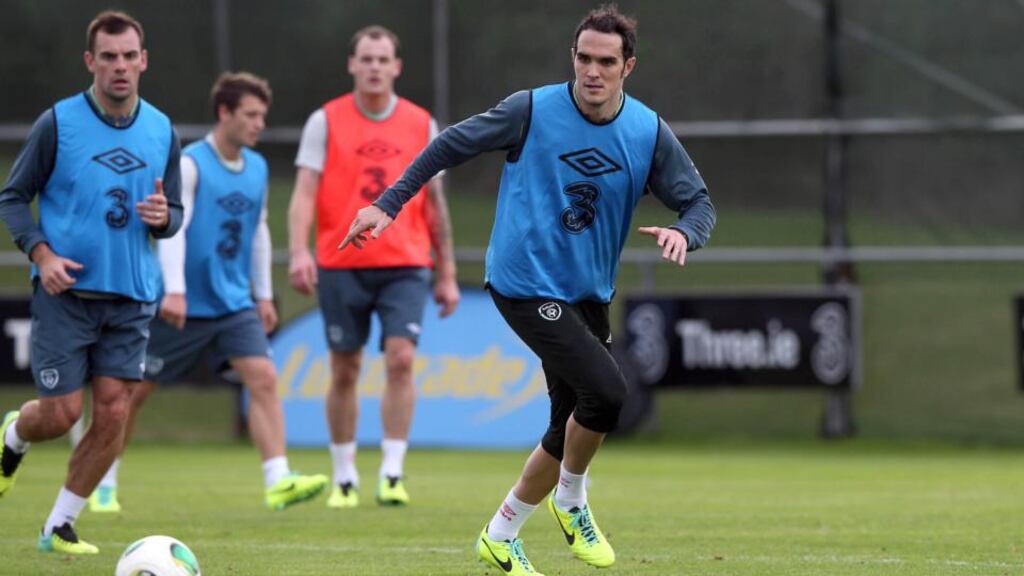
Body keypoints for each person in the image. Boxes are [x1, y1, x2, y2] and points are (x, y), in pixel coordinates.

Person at [340, 6, 716, 574]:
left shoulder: (646, 131)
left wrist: (685, 232)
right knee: (610, 394)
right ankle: (571, 498)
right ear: (573, 57)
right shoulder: (531, 109)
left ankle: (501, 531)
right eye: (584, 58)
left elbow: (699, 201)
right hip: (523, 283)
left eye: (606, 62)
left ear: (628, 66)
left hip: (588, 294)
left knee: (568, 422)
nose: (593, 71)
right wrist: (387, 204)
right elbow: (447, 147)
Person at [89, 72, 328, 514]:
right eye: (250, 115)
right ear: (224, 113)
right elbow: (172, 233)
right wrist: (175, 291)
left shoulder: (256, 167)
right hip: (181, 305)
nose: (259, 124)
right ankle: (103, 482)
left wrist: (262, 295)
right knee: (131, 394)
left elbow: (258, 231)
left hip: (234, 304)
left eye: (262, 116)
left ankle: (278, 480)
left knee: (264, 378)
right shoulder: (192, 163)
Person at [0, 11, 184, 555]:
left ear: (144, 61)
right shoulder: (57, 123)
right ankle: (13, 434)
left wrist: (163, 217)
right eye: (109, 57)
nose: (120, 66)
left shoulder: (162, 128)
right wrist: (41, 252)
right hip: (66, 293)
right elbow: (12, 197)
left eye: (130, 56)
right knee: (60, 415)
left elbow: (174, 213)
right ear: (91, 62)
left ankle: (58, 526)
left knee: (113, 414)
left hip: (132, 295)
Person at [288, 25, 460, 508]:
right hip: (342, 261)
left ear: (397, 66)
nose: (374, 68)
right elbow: (303, 193)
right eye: (366, 59)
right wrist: (299, 250)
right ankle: (344, 476)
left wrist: (445, 273)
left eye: (383, 60)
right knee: (345, 370)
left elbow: (436, 204)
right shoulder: (325, 121)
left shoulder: (421, 123)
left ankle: (392, 471)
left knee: (401, 359)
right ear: (352, 64)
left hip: (406, 261)